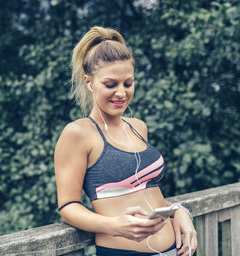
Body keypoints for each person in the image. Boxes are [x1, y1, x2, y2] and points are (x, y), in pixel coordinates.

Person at [54, 26, 197, 256]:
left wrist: (177, 211)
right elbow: (68, 206)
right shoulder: (78, 133)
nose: (121, 93)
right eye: (111, 84)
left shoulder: (139, 127)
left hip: (175, 250)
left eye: (128, 83)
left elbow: (145, 191)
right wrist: (115, 226)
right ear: (89, 82)